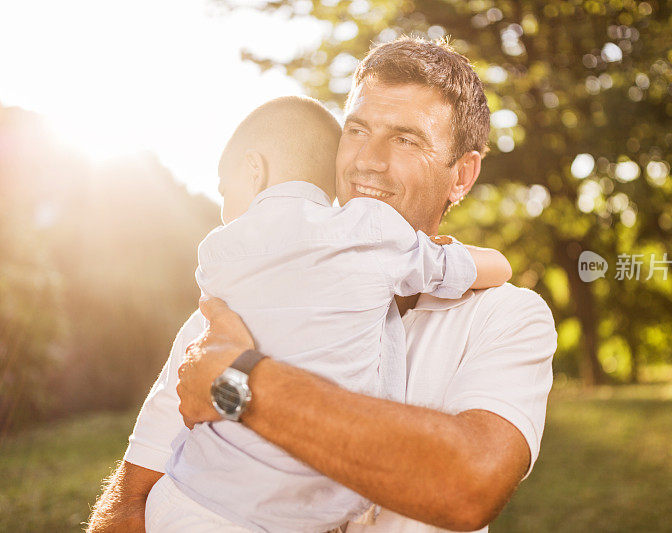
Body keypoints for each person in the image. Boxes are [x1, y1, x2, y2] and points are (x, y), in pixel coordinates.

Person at [88, 36, 557, 533]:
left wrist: (237, 383)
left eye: (406, 139)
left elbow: (467, 486)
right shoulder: (242, 295)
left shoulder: (508, 318)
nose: (367, 161)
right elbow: (133, 501)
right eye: (357, 130)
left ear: (462, 174)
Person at [142, 94, 512, 532]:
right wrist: (447, 252)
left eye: (225, 189)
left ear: (253, 170)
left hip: (188, 495)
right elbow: (494, 268)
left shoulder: (217, 252)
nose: (224, 210)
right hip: (291, 516)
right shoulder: (368, 233)